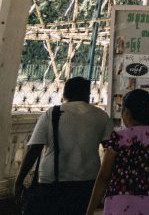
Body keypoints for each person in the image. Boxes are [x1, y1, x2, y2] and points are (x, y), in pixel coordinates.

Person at [14, 76, 114, 215]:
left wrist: (19, 181)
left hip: (52, 180)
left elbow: (34, 149)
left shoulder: (51, 114)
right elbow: (111, 149)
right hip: (87, 180)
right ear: (87, 94)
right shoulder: (102, 116)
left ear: (65, 93)